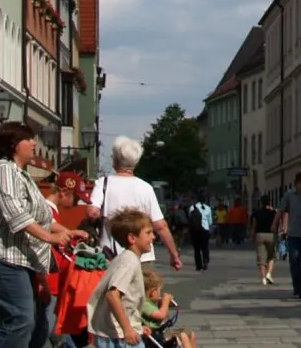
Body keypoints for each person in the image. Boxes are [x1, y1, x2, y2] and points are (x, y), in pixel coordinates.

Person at [0, 121, 86, 348]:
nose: (34, 143)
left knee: (26, 322)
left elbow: (43, 217)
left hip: (15, 257)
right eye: (29, 139)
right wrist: (50, 237)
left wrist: (67, 232)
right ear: (14, 144)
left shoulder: (21, 174)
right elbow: (15, 214)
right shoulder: (2, 170)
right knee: (20, 320)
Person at [88, 139, 184, 272]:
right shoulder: (145, 188)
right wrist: (174, 254)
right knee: (141, 291)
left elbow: (92, 212)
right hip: (141, 256)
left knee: (112, 291)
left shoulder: (103, 183)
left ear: (115, 160)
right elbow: (160, 226)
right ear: (136, 163)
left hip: (110, 256)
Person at [88, 209, 152, 348]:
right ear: (132, 238)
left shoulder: (126, 259)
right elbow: (112, 295)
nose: (153, 237)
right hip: (119, 336)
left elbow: (126, 300)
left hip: (117, 332)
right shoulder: (129, 261)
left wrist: (136, 326)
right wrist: (127, 328)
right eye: (148, 233)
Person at [140, 268, 197, 348]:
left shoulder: (151, 304)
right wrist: (165, 301)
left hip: (159, 334)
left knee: (191, 334)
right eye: (160, 290)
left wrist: (166, 304)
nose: (160, 293)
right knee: (183, 336)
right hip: (154, 337)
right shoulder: (144, 304)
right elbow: (161, 315)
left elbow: (164, 315)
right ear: (153, 292)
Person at [251, 194, 279, 287]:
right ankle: (269, 274)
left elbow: (254, 226)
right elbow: (277, 222)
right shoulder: (273, 213)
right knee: (271, 256)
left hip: (260, 235)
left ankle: (263, 278)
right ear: (270, 202)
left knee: (261, 258)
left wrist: (252, 236)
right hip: (271, 235)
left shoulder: (257, 213)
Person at [187, 194, 212, 272]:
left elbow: (190, 218)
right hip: (205, 230)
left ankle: (198, 265)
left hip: (195, 230)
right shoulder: (208, 208)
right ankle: (205, 260)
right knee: (205, 247)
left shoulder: (192, 207)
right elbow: (210, 221)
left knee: (196, 249)